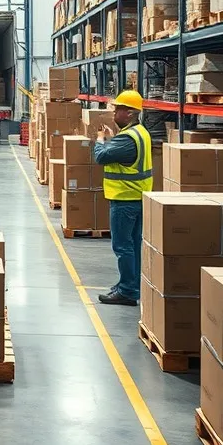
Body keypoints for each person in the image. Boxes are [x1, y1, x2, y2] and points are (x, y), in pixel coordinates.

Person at [92, 89, 153, 307]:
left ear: (129, 113)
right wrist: (112, 139)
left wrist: (100, 140)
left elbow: (101, 156)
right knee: (133, 245)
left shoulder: (129, 138)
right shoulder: (140, 133)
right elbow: (119, 152)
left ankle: (127, 291)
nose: (114, 113)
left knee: (123, 246)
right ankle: (129, 285)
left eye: (117, 109)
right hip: (136, 197)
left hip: (125, 199)